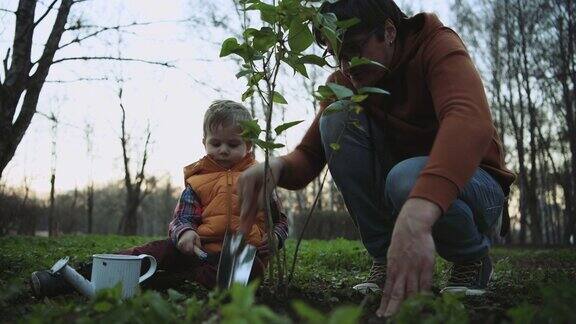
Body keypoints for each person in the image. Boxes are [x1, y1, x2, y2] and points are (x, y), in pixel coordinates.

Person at [237, 0, 516, 318]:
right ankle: (386, 259)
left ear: (389, 31)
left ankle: (472, 258)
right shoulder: (345, 84)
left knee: (404, 178)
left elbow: (469, 121)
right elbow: (310, 156)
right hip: (407, 186)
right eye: (337, 55)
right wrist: (278, 166)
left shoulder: (436, 44)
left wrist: (419, 209)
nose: (346, 66)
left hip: (477, 186)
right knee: (336, 117)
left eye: (354, 48)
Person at [30, 100, 288, 297]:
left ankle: (169, 282)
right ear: (204, 142)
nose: (223, 150)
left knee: (243, 274)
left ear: (249, 146)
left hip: (240, 259)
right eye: (215, 143)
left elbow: (280, 220)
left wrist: (275, 238)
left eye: (232, 144)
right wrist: (185, 233)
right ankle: (70, 277)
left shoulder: (259, 179)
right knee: (150, 252)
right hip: (197, 251)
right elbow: (182, 218)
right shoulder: (197, 181)